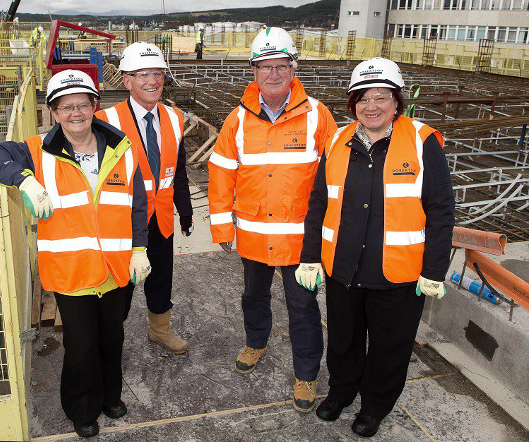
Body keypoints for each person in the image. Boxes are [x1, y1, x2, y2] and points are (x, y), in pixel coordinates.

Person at [0, 70, 151, 438]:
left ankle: (110, 396)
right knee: (81, 346)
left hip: (116, 268)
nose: (75, 113)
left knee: (112, 338)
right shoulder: (36, 150)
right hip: (72, 271)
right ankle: (82, 408)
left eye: (82, 105)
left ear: (95, 107)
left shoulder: (122, 150)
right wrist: (24, 179)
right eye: (66, 107)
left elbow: (137, 205)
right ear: (54, 113)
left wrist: (139, 249)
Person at [297, 57, 454, 437]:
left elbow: (440, 208)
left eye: (381, 96)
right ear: (353, 104)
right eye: (363, 97)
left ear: (397, 102)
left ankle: (375, 406)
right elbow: (319, 202)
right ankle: (341, 393)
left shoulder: (421, 141)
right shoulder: (337, 140)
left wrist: (434, 270)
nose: (372, 105)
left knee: (389, 347)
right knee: (344, 339)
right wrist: (310, 256)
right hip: (343, 268)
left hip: (398, 273)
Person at [208, 27, 337, 413]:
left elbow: (337, 174)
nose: (274, 74)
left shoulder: (317, 115)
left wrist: (330, 232)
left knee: (302, 306)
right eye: (265, 67)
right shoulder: (238, 119)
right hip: (252, 235)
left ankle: (306, 375)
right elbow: (221, 170)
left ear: (294, 67)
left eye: (281, 65)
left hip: (301, 241)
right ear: (254, 71)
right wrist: (221, 225)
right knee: (253, 296)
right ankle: (256, 341)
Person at [97, 42, 193, 354]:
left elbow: (177, 169)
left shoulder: (175, 118)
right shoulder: (105, 120)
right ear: (126, 80)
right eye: (142, 75)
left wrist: (186, 210)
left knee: (161, 278)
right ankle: (109, 340)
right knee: (119, 285)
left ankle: (159, 330)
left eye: (157, 73)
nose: (152, 81)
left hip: (161, 217)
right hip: (122, 221)